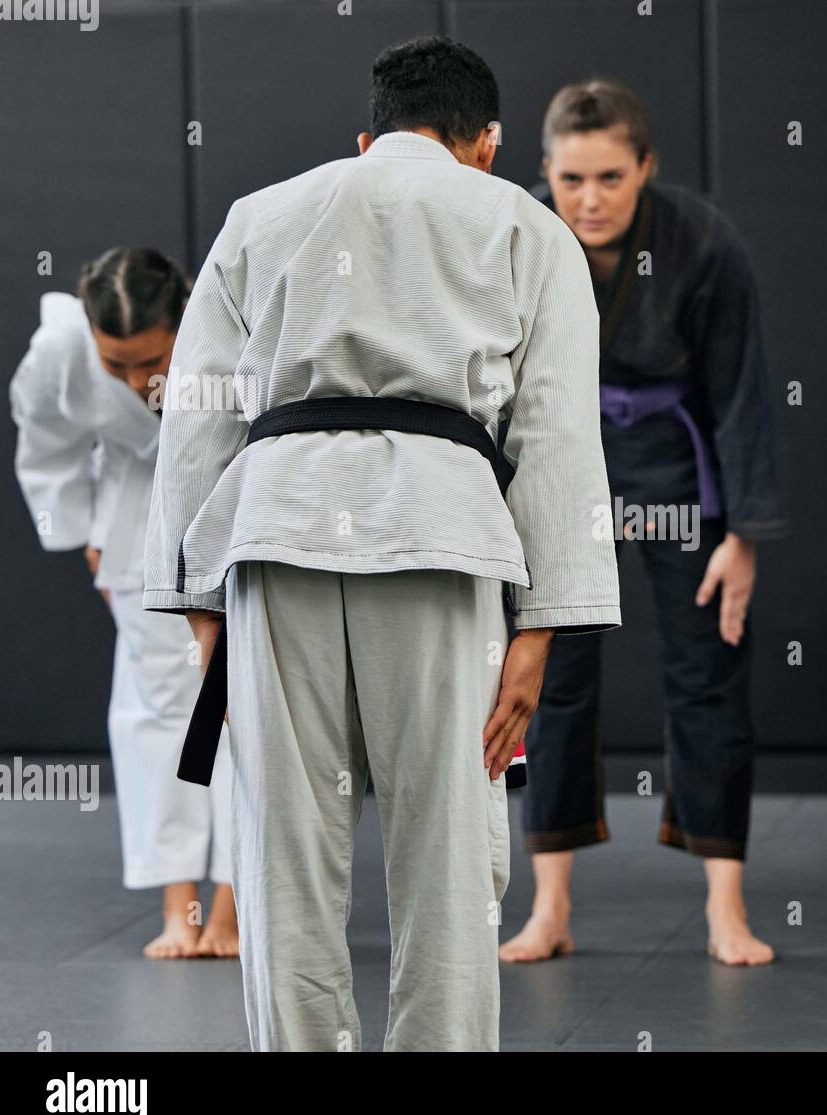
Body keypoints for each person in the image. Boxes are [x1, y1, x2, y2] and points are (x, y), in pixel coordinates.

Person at [142, 35, 620, 1051]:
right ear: (485, 144)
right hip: (439, 542)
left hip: (277, 535)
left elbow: (195, 415)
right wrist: (538, 631)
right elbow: (559, 436)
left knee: (282, 855)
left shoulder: (259, 217)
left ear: (365, 137)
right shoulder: (525, 228)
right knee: (447, 852)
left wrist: (197, 604)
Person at [499, 80, 787, 968]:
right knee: (548, 681)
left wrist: (742, 533)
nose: (590, 199)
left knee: (708, 678)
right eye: (573, 178)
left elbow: (741, 392)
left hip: (675, 467)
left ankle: (724, 908)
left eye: (612, 178)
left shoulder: (703, 242)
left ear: (646, 169)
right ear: (544, 169)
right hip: (559, 469)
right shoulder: (516, 238)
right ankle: (547, 908)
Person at [9, 248, 237, 959]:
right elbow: (45, 440)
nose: (141, 381)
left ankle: (235, 903)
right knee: (159, 709)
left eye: (154, 360)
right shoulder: (60, 350)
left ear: (183, 318)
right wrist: (76, 528)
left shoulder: (229, 320)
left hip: (231, 509)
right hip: (134, 520)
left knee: (241, 705)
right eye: (118, 367)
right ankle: (183, 910)